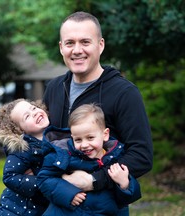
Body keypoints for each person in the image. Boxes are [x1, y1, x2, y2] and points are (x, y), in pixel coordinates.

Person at [43, 11, 153, 215]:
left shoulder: (124, 93)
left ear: (100, 45)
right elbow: (45, 140)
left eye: (85, 42)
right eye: (69, 43)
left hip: (104, 208)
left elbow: (141, 156)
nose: (77, 50)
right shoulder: (54, 88)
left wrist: (94, 181)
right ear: (61, 47)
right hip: (59, 206)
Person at [37, 104, 141, 215]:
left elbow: (125, 200)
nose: (84, 145)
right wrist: (69, 193)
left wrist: (125, 184)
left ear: (105, 134)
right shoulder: (62, 156)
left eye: (90, 137)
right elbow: (44, 179)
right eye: (78, 140)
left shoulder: (116, 157)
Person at [0, 98, 50, 216]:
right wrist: (42, 182)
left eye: (33, 108)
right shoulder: (23, 149)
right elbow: (10, 176)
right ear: (19, 130)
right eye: (27, 116)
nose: (34, 113)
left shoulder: (53, 138)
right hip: (18, 210)